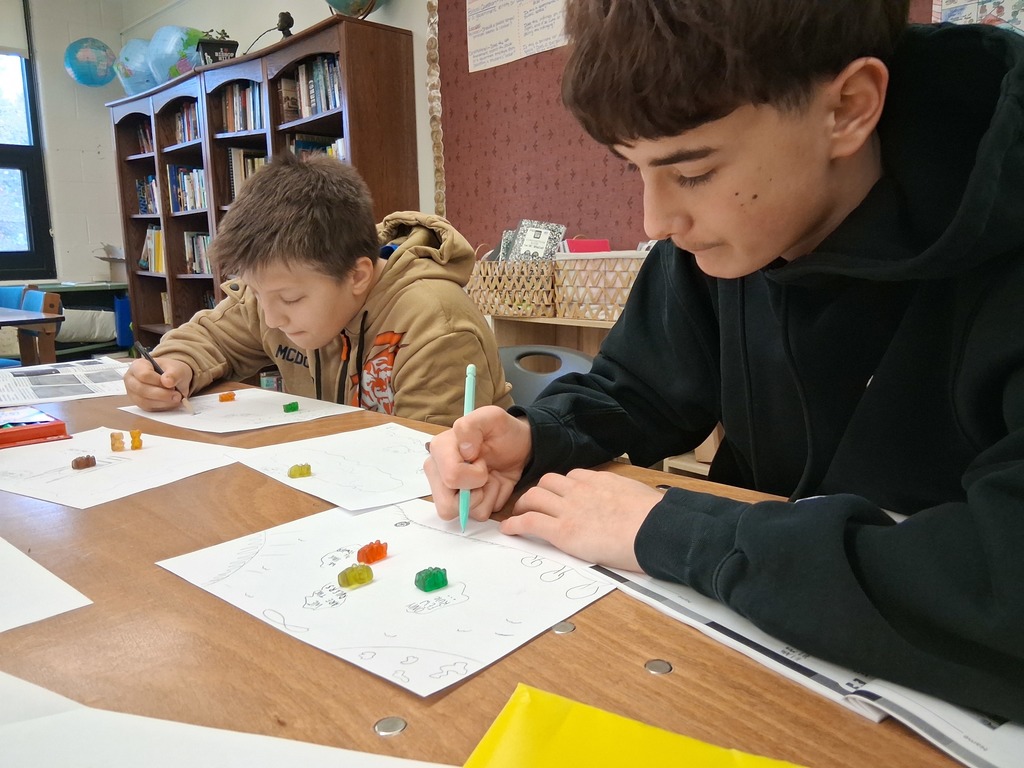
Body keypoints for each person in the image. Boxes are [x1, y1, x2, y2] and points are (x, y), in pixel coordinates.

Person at [424, 0, 1024, 722]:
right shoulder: (718, 244)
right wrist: (538, 436)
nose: (656, 221)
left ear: (847, 109)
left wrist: (680, 534)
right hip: (752, 656)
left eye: (693, 172)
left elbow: (1002, 587)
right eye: (634, 169)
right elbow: (641, 388)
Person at [124, 152, 512, 425]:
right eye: (258, 293)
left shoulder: (435, 326)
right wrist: (174, 366)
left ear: (357, 276)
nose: (272, 318)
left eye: (290, 299)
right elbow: (211, 335)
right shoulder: (283, 289)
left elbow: (436, 460)